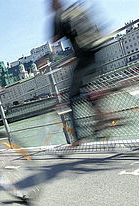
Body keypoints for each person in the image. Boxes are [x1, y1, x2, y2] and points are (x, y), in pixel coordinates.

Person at [50, 0, 106, 146]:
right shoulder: (77, 11)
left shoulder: (60, 17)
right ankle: (102, 118)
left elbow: (54, 40)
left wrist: (47, 58)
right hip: (96, 51)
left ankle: (78, 137)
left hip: (84, 58)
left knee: (71, 98)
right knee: (88, 90)